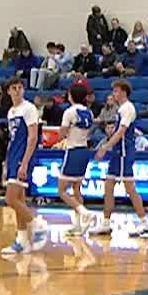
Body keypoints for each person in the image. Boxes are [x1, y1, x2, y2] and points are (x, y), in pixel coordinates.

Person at [94, 80, 148, 236]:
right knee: (108, 187)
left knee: (129, 189)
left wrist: (104, 147)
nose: (113, 94)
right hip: (117, 152)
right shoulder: (121, 109)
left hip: (124, 153)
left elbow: (120, 133)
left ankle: (144, 222)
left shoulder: (128, 108)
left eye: (116, 91)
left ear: (123, 92)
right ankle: (106, 223)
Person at [0, 77, 50, 254]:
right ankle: (22, 241)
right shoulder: (11, 111)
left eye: (20, 87)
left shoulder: (29, 108)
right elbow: (12, 139)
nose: (18, 90)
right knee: (19, 199)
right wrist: (6, 163)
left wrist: (25, 163)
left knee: (10, 199)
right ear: (9, 91)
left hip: (24, 156)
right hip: (14, 156)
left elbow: (33, 137)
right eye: (14, 88)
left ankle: (38, 225)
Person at [54, 83, 96, 234]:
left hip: (73, 151)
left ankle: (85, 213)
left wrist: (59, 138)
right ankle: (77, 225)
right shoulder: (89, 112)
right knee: (76, 188)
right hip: (85, 150)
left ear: (71, 95)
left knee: (61, 190)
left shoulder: (69, 112)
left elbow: (61, 133)